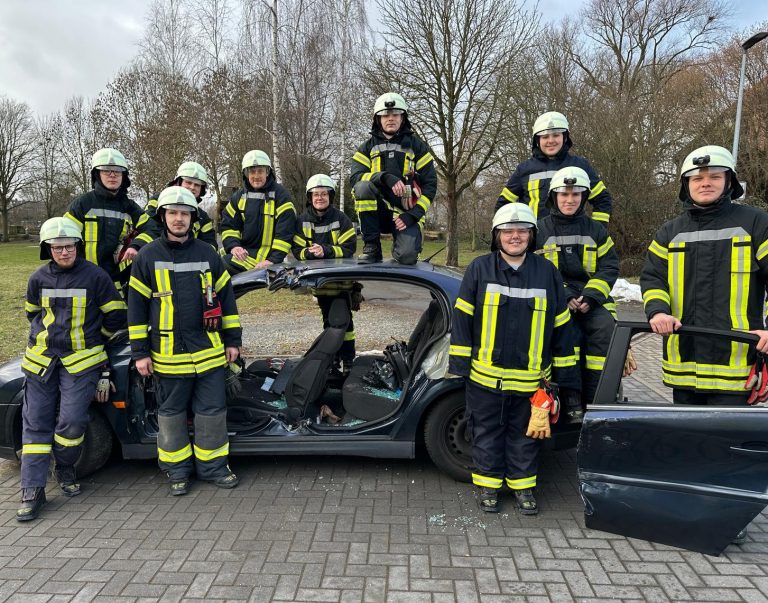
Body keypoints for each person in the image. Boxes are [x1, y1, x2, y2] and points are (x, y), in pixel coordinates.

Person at [449, 203, 580, 515]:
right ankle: (488, 488)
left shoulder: (547, 272)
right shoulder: (479, 268)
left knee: (526, 437)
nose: (515, 236)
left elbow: (561, 327)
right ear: (497, 236)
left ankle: (523, 490)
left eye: (522, 230)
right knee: (485, 435)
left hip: (532, 381)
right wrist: (460, 367)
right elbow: (463, 320)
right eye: (508, 231)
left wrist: (563, 379)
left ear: (532, 235)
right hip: (484, 379)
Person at [128, 186, 242, 495]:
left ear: (193, 217)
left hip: (208, 352)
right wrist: (140, 353)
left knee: (212, 413)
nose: (179, 219)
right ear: (162, 216)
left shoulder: (208, 253)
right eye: (173, 213)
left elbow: (227, 300)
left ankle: (214, 468)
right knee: (171, 416)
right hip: (167, 355)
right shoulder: (147, 256)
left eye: (185, 213)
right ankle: (177, 471)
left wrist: (233, 340)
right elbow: (136, 309)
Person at [640, 145, 768, 405]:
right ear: (686, 185)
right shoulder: (669, 233)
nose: (705, 183)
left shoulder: (756, 224)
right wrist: (657, 311)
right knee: (687, 443)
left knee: (728, 444)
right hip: (684, 364)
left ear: (729, 181)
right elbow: (653, 278)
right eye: (697, 178)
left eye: (715, 177)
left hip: (737, 364)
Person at [18, 217, 127, 521]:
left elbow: (117, 316)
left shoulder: (97, 277)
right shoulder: (38, 279)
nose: (64, 252)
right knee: (36, 424)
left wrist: (97, 341)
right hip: (41, 362)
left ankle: (65, 466)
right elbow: (32, 314)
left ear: (78, 246)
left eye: (68, 247)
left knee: (72, 422)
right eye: (57, 248)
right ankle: (32, 490)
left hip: (82, 362)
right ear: (47, 249)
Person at [536, 166, 619, 414]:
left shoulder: (596, 230)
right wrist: (565, 295)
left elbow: (610, 266)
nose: (569, 200)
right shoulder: (540, 230)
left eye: (575, 195)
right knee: (565, 336)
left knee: (605, 330)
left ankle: (598, 400)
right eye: (564, 195)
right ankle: (569, 401)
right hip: (557, 299)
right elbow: (539, 270)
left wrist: (591, 297)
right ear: (554, 197)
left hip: (591, 300)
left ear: (583, 197)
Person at [350, 92, 437, 264]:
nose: (390, 118)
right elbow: (355, 178)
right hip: (378, 212)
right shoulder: (366, 148)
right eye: (385, 115)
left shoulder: (418, 147)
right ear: (378, 119)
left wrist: (413, 215)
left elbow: (430, 185)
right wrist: (384, 177)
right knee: (362, 187)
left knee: (407, 256)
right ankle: (372, 248)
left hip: (406, 214)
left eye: (395, 114)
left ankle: (403, 248)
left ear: (403, 118)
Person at [495, 111, 613, 225]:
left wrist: (598, 229)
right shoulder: (524, 170)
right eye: (545, 136)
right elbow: (504, 204)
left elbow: (602, 199)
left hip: (574, 239)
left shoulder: (580, 166)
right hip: (537, 241)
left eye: (556, 135)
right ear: (537, 140)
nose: (551, 141)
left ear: (565, 137)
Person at [292, 174, 358, 369]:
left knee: (345, 324)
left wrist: (326, 250)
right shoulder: (302, 220)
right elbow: (297, 251)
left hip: (342, 284)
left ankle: (348, 360)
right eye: (315, 194)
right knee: (329, 323)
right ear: (310, 197)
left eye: (323, 194)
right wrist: (311, 253)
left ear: (330, 196)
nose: (319, 198)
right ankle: (333, 360)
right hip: (321, 287)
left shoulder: (341, 219)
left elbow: (349, 248)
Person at [64, 148, 144, 291]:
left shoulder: (130, 207)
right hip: (84, 280)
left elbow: (153, 228)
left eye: (117, 171)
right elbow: (65, 237)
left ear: (124, 176)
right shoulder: (82, 204)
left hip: (118, 284)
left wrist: (136, 245)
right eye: (107, 170)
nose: (112, 175)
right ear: (97, 174)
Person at [220, 150, 295, 273]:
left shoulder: (281, 196)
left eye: (260, 171)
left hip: (266, 257)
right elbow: (229, 226)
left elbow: (285, 232)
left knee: (221, 265)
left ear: (268, 172)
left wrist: (273, 260)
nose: (256, 176)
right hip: (243, 253)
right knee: (212, 259)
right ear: (246, 174)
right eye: (252, 171)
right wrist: (234, 246)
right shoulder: (238, 197)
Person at [133, 161, 218, 252]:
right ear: (178, 182)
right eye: (188, 182)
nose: (192, 187)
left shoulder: (203, 218)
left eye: (197, 185)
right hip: (156, 254)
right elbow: (151, 228)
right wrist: (137, 245)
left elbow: (210, 243)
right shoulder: (157, 202)